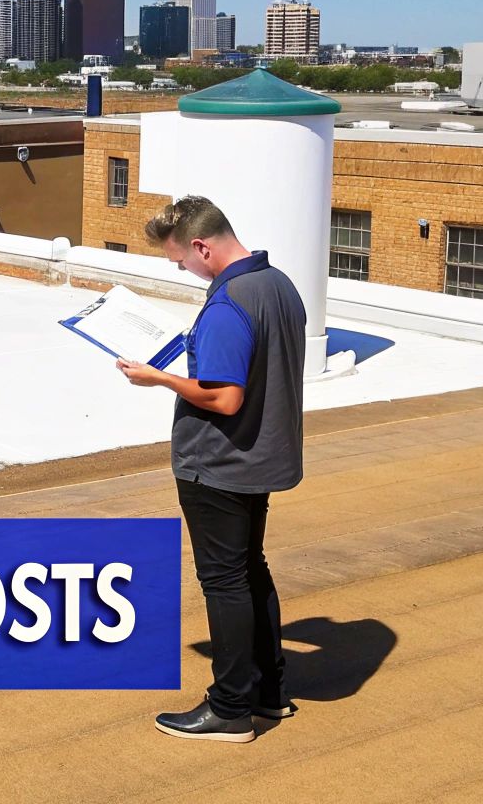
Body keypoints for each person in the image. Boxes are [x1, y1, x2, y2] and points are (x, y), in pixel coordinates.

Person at [116, 195, 305, 743]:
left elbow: (223, 398)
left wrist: (160, 379)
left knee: (224, 583)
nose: (181, 268)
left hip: (218, 464)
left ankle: (229, 709)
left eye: (180, 259)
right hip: (261, 457)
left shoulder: (228, 305)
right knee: (251, 571)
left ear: (202, 246)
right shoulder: (278, 285)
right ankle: (269, 693)